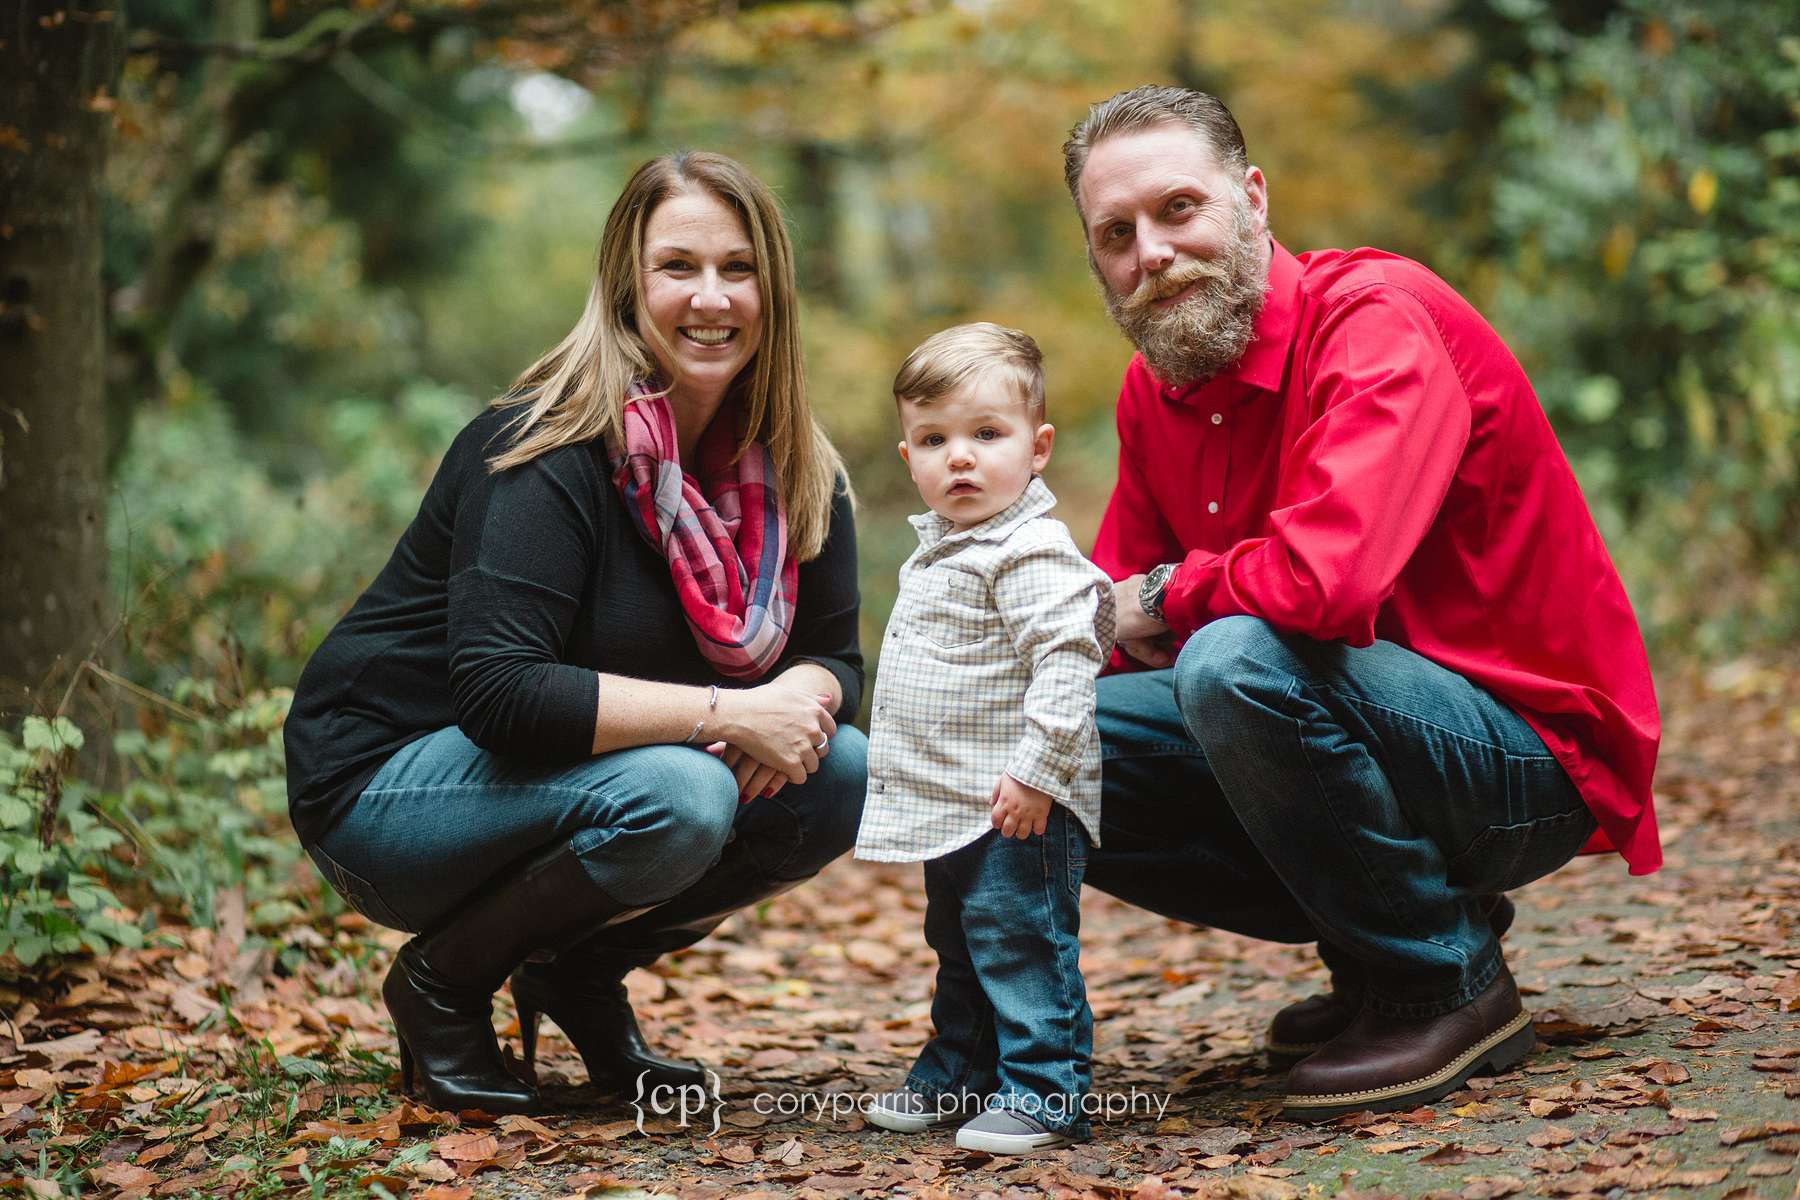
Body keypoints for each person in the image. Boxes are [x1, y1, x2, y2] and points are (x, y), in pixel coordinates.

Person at [1060, 86, 1661, 1119]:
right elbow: (1105, 628)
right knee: (1051, 734)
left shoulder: (1376, 320)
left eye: (1177, 210)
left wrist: (1169, 598)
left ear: (1251, 199)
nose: (1151, 252)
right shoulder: (1153, 392)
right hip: (1372, 734)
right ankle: (1378, 941)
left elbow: (1323, 585)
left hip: (1528, 757)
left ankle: (1444, 981)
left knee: (1235, 658)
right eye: (1116, 234)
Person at [283, 151, 867, 1115]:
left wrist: (795, 701)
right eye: (677, 266)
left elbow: (838, 658)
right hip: (387, 789)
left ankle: (575, 974)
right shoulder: (547, 447)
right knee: (681, 790)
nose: (710, 297)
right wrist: (730, 711)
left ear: (776, 287)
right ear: (625, 284)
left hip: (562, 778)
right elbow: (501, 694)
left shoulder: (799, 465)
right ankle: (442, 983)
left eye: (739, 267)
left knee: (837, 772)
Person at [856, 324, 1116, 1154]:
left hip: (1020, 801)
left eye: (986, 435)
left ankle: (1047, 1093)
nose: (958, 459)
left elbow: (1069, 662)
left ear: (1037, 448)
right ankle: (959, 1072)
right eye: (934, 440)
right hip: (960, 800)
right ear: (908, 456)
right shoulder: (945, 549)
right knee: (961, 941)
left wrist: (1039, 772)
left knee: (1020, 939)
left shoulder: (1029, 549)